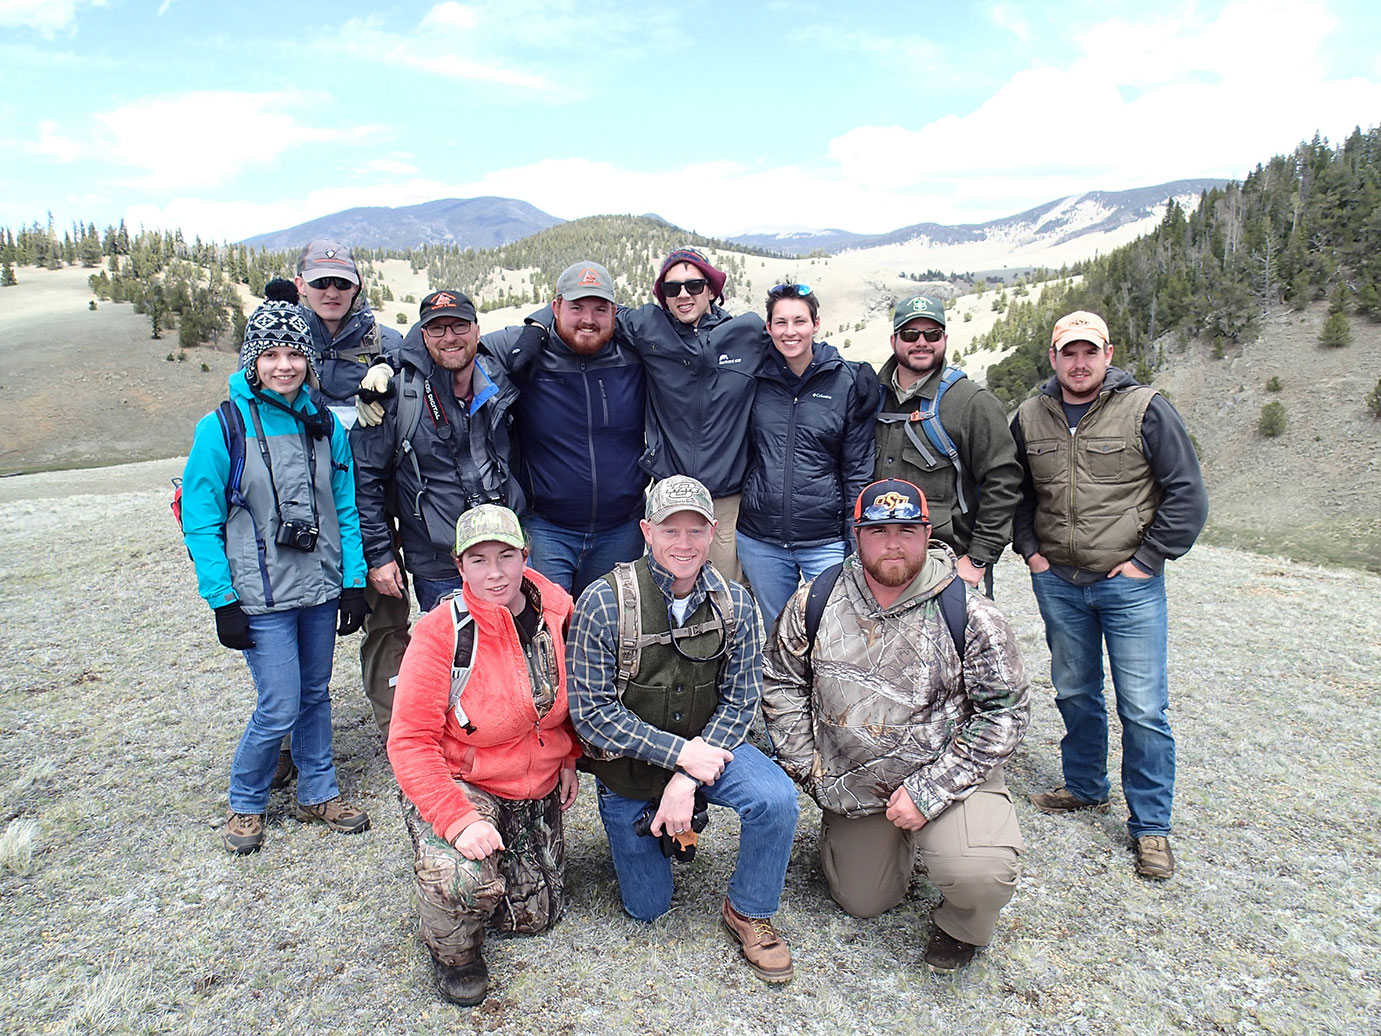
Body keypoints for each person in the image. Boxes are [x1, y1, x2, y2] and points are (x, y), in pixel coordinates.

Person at [762, 478, 1030, 974]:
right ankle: (879, 841)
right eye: (879, 530)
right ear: (856, 535)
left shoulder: (969, 612)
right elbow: (781, 680)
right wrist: (808, 766)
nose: (893, 543)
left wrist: (929, 792)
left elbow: (1005, 713)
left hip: (947, 773)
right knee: (862, 901)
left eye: (907, 530)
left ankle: (961, 924)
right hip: (857, 779)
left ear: (927, 533)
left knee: (980, 874)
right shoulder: (816, 599)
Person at [567, 475, 799, 983]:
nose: (684, 543)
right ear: (647, 531)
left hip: (708, 756)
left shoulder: (737, 604)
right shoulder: (604, 602)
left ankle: (750, 910)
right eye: (671, 530)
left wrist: (688, 776)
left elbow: (741, 701)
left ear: (714, 532)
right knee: (648, 908)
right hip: (629, 771)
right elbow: (591, 714)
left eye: (696, 530)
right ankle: (646, 831)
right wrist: (680, 756)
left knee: (777, 799)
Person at [1011, 311, 1208, 881]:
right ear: (1053, 357)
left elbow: (1186, 493)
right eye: (1068, 353)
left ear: (1107, 354)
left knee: (1143, 707)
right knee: (1074, 689)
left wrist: (1148, 560)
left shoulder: (1146, 409)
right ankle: (1085, 785)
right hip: (1059, 581)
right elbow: (1016, 490)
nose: (1078, 363)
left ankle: (1151, 829)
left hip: (1128, 587)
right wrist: (1031, 551)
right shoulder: (1030, 415)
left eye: (1088, 353)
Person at [181, 300, 371, 855]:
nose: (284, 365)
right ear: (251, 361)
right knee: (280, 704)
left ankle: (318, 792)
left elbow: (345, 506)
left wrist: (352, 582)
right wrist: (221, 600)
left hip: (318, 588)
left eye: (294, 354)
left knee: (315, 696)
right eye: (270, 354)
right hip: (258, 597)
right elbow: (201, 519)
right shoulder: (222, 428)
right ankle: (246, 800)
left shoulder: (325, 425)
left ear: (309, 361)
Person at [388, 505, 579, 1007]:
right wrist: (457, 819)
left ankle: (499, 860)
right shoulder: (440, 633)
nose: (495, 572)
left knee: (534, 919)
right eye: (478, 559)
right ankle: (454, 956)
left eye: (506, 556)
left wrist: (567, 756)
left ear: (525, 556)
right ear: (459, 565)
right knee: (463, 879)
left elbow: (574, 700)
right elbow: (409, 741)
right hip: (463, 781)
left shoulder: (559, 611)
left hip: (532, 781)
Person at [291, 240, 408, 746]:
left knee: (386, 623)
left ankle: (400, 732)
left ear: (357, 285)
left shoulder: (386, 341)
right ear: (302, 285)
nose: (331, 291)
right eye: (320, 282)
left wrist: (394, 376)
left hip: (374, 507)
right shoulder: (283, 340)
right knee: (292, 629)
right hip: (301, 511)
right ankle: (284, 740)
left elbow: (438, 363)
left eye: (342, 281)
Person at [352, 290, 521, 620]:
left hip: (505, 551)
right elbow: (365, 480)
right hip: (438, 561)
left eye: (458, 326)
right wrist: (379, 555)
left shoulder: (501, 379)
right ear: (423, 335)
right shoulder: (396, 394)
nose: (450, 338)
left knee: (514, 651)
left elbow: (550, 324)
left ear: (476, 329)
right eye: (437, 329)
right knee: (457, 660)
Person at [481, 261, 647, 597]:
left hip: (622, 530)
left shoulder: (634, 353)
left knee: (610, 633)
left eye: (600, 309)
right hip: (546, 530)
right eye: (576, 307)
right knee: (547, 630)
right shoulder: (524, 348)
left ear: (614, 312)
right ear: (555, 307)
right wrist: (380, 369)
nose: (588, 319)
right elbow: (450, 341)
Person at [616, 247, 769, 581]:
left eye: (694, 285)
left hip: (724, 500)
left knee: (722, 592)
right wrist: (538, 325)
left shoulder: (747, 335)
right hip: (669, 495)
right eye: (672, 289)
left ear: (712, 290)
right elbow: (589, 311)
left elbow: (796, 342)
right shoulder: (647, 327)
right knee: (666, 588)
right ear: (664, 298)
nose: (683, 294)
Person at [736, 283, 878, 628]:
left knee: (831, 629)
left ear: (816, 324)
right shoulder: (753, 379)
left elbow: (857, 468)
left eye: (799, 321)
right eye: (780, 322)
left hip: (824, 539)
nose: (790, 332)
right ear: (768, 328)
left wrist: (854, 537)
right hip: (761, 538)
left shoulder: (847, 382)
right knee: (777, 631)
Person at [874, 295, 1022, 596]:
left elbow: (1003, 482)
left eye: (932, 334)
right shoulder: (870, 398)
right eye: (910, 334)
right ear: (893, 340)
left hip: (948, 563)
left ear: (944, 338)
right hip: (881, 566)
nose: (921, 342)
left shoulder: (972, 403)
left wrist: (979, 559)